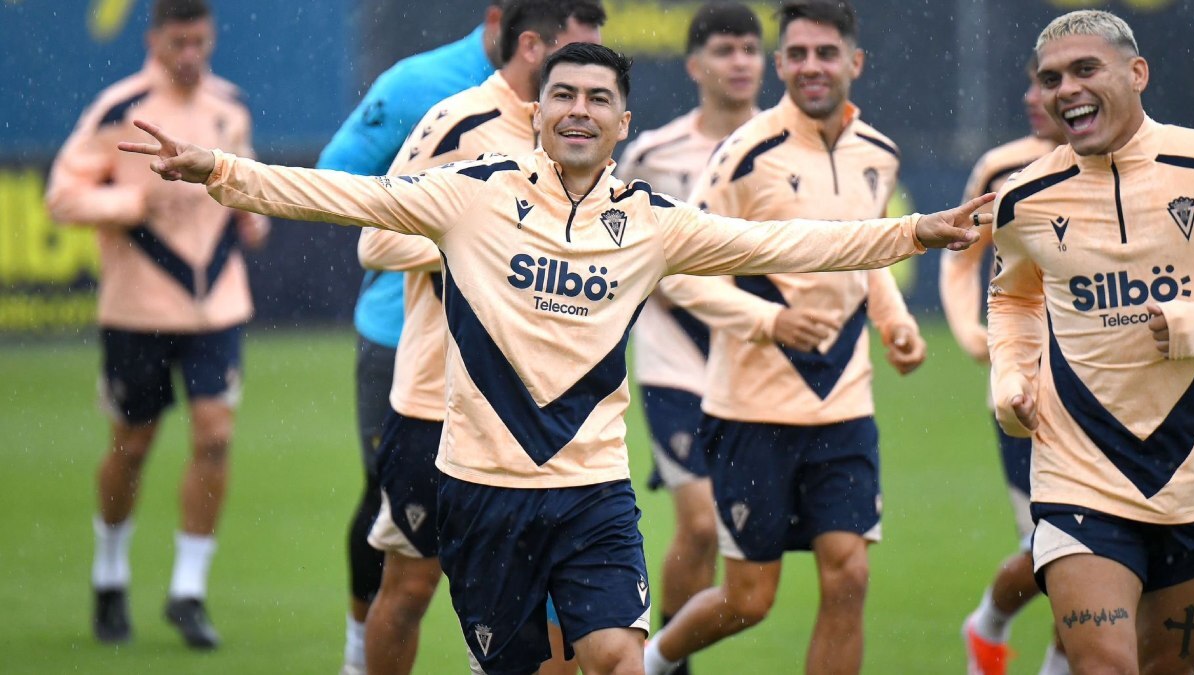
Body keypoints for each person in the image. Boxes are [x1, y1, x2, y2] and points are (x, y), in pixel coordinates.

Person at [117, 42, 991, 674]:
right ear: (538, 113)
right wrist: (221, 172)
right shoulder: (474, 198)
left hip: (593, 492)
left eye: (597, 98)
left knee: (615, 654)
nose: (578, 109)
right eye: (563, 94)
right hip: (484, 490)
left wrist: (916, 232)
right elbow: (347, 195)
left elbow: (785, 242)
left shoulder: (653, 221)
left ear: (621, 121)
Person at [643, 2, 924, 673]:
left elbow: (868, 256)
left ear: (854, 63)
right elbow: (677, 269)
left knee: (849, 574)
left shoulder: (879, 154)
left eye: (826, 53)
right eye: (797, 54)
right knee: (750, 598)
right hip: (750, 413)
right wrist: (768, 320)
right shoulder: (744, 154)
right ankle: (655, 659)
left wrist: (896, 321)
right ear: (781, 66)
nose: (812, 67)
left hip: (844, 407)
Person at [355, 3, 603, 673]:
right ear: (532, 48)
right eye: (577, 59)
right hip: (439, 405)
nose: (590, 84)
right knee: (408, 588)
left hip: (543, 415)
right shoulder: (460, 122)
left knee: (543, 613)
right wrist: (480, 242)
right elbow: (376, 238)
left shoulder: (584, 135)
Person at [44, 0, 268, 650]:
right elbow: (62, 194)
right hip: (138, 309)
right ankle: (110, 570)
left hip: (216, 306)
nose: (190, 55)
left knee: (216, 435)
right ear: (154, 41)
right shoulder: (121, 108)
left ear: (212, 38)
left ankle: (188, 590)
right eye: (179, 42)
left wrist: (253, 215)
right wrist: (130, 199)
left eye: (200, 41)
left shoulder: (230, 107)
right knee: (131, 446)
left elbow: (244, 183)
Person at [989, 9, 1194, 674]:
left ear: (1136, 73)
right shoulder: (1023, 198)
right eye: (1051, 78)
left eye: (1085, 69)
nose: (1065, 89)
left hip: (1189, 471)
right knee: (1104, 665)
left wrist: (1191, 324)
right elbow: (1013, 297)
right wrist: (1009, 379)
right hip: (1079, 469)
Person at [315, 5, 504, 673]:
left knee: (517, 521)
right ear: (507, 18)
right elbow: (335, 178)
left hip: (513, 350)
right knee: (392, 514)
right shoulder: (420, 83)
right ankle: (356, 657)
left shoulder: (569, 102)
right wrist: (439, 228)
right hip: (404, 338)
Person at [612, 6, 763, 672]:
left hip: (757, 358)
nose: (740, 62)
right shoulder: (653, 152)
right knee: (700, 523)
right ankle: (668, 664)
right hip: (674, 353)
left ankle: (666, 650)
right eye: (726, 50)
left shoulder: (786, 147)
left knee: (744, 550)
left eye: (751, 50)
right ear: (696, 65)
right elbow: (623, 242)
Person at [941, 56, 1069, 675]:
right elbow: (961, 255)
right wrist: (970, 330)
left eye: (1052, 82)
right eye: (1037, 81)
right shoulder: (1004, 169)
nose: (1033, 97)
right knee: (1059, 552)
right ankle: (988, 626)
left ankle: (993, 629)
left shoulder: (1155, 169)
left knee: (1101, 560)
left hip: (1122, 391)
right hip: (1030, 391)